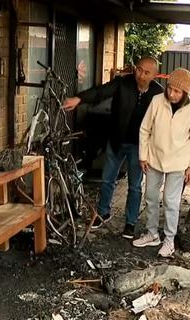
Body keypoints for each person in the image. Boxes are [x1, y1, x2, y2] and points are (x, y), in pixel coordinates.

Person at [63, 57, 163, 239]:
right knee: (107, 179)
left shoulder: (158, 94)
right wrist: (79, 98)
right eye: (138, 69)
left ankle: (130, 223)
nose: (140, 75)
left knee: (135, 186)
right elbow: (100, 92)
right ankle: (103, 213)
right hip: (117, 141)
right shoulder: (123, 83)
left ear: (155, 75)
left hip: (139, 147)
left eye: (146, 72)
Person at [133, 68, 190, 257]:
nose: (172, 94)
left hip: (179, 162)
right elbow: (144, 129)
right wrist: (143, 155)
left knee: (171, 201)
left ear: (185, 93)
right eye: (170, 89)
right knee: (150, 197)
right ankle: (152, 233)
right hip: (155, 158)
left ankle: (170, 240)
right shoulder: (157, 101)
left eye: (177, 91)